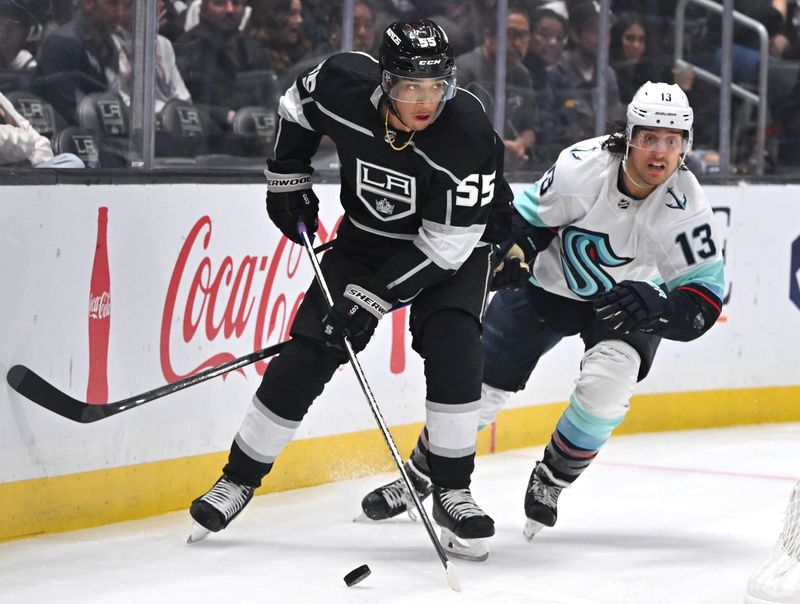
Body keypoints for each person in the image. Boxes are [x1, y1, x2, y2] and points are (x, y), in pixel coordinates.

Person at [188, 19, 512, 562]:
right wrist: (285, 180)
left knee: (454, 342)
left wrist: (371, 299)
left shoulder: (468, 136)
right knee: (311, 350)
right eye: (411, 86)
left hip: (458, 247)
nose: (425, 101)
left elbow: (445, 250)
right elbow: (296, 107)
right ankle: (237, 480)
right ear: (384, 82)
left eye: (436, 86)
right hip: (366, 241)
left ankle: (453, 490)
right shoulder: (341, 82)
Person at [360, 80, 725, 542]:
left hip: (626, 306)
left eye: (672, 141)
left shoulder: (686, 207)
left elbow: (703, 305)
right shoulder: (582, 167)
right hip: (546, 288)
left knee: (606, 392)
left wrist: (658, 307)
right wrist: (516, 252)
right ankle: (420, 474)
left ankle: (551, 479)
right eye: (649, 137)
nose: (659, 152)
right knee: (476, 388)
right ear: (628, 136)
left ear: (685, 147)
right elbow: (526, 223)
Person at [455, 6, 539, 169]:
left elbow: (531, 129)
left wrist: (519, 145)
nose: (518, 43)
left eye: (524, 36)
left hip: (506, 167)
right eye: (511, 34)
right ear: (488, 35)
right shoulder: (464, 69)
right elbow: (449, 126)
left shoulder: (522, 75)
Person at [35, 0, 121, 125]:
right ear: (88, 3)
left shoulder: (109, 45)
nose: (119, 13)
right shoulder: (61, 43)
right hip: (67, 137)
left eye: (120, 5)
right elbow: (67, 112)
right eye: (112, 3)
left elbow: (113, 97)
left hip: (101, 133)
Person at [0, 91, 84, 167]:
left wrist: (30, 162)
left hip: (26, 172)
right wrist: (27, 142)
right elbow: (27, 141)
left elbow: (41, 143)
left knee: (72, 161)